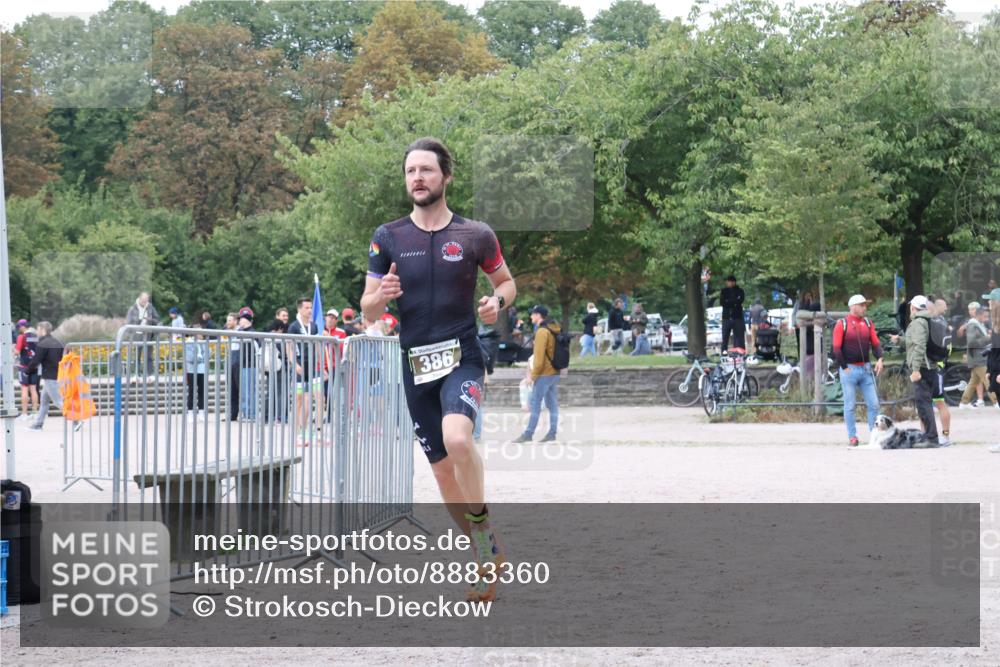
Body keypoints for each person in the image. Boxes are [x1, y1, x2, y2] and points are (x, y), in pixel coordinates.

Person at [360, 137, 516, 602]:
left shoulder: (475, 235)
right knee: (444, 474)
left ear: (445, 176)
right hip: (415, 365)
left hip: (461, 356)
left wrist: (497, 302)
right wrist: (381, 296)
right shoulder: (388, 237)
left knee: (458, 439)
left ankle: (482, 525)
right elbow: (367, 309)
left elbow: (506, 282)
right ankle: (484, 553)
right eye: (411, 171)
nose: (418, 178)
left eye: (426, 170)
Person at [832, 295, 884, 447]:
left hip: (866, 369)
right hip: (849, 369)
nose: (865, 308)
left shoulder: (868, 323)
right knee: (850, 405)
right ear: (853, 307)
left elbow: (875, 343)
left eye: (865, 305)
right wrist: (844, 367)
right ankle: (852, 437)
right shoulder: (842, 324)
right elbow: (836, 348)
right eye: (862, 305)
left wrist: (880, 358)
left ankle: (874, 435)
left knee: (874, 404)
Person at [512, 305, 561, 444]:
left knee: (535, 403)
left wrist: (532, 376)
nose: (531, 316)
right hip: (554, 371)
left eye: (532, 314)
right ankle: (552, 433)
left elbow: (538, 359)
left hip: (544, 373)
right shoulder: (553, 329)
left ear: (538, 315)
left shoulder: (541, 332)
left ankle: (528, 434)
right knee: (552, 404)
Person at [26, 322, 79, 432]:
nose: (37, 332)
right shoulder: (58, 342)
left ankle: (76, 420)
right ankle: (38, 424)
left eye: (38, 329)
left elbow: (36, 360)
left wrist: (27, 371)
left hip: (51, 376)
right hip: (60, 375)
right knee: (44, 401)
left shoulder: (43, 343)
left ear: (43, 330)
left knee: (59, 401)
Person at [904, 296, 940, 445]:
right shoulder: (928, 320)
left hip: (922, 368)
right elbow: (915, 343)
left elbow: (919, 346)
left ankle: (931, 438)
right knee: (926, 403)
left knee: (923, 405)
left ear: (913, 307)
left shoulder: (918, 322)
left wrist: (916, 369)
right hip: (930, 366)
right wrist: (899, 340)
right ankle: (929, 435)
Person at [287, 297, 322, 443]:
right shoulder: (294, 326)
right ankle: (296, 433)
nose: (309, 310)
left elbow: (317, 344)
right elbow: (289, 346)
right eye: (306, 308)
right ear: (299, 309)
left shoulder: (314, 326)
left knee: (319, 397)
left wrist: (320, 362)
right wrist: (294, 364)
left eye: (310, 307)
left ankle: (317, 431)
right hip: (300, 367)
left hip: (313, 366)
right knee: (299, 400)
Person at [958, 305, 993, 409]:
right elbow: (972, 343)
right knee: (987, 380)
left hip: (978, 357)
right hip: (978, 357)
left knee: (974, 381)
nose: (987, 319)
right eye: (985, 316)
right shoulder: (973, 325)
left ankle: (964, 403)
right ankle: (996, 401)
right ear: (979, 315)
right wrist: (987, 338)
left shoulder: (979, 325)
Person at [931, 298, 953, 445]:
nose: (946, 309)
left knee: (939, 402)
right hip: (937, 365)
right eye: (944, 306)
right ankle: (930, 435)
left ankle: (945, 436)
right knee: (928, 403)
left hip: (936, 366)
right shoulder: (942, 322)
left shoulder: (937, 323)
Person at [126, 291, 160, 375]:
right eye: (143, 301)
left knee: (149, 356)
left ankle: (150, 375)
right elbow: (128, 323)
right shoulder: (132, 309)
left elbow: (157, 320)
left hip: (148, 335)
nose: (145, 303)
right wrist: (139, 320)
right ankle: (136, 374)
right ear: (139, 299)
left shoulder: (150, 307)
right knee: (136, 356)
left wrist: (150, 320)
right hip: (137, 335)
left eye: (146, 301)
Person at [14, 320, 40, 420]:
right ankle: (34, 413)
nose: (18, 329)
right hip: (35, 366)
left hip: (24, 366)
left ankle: (24, 414)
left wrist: (13, 350)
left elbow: (17, 352)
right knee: (33, 389)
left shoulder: (21, 337)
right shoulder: (36, 336)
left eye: (19, 327)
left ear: (23, 327)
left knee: (24, 389)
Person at [984, 290, 1000, 453]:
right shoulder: (995, 325)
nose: (988, 303)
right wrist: (989, 369)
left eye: (990, 300)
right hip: (995, 372)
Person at [236, 308, 258, 421]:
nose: (239, 321)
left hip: (250, 365)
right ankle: (246, 413)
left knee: (249, 391)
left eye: (241, 319)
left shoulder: (252, 332)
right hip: (244, 365)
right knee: (245, 391)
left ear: (246, 320)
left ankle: (251, 414)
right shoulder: (242, 332)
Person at [183, 323, 208, 421]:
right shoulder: (189, 342)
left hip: (202, 370)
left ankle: (201, 412)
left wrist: (201, 358)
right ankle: (190, 412)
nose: (201, 334)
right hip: (192, 370)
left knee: (202, 391)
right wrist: (200, 359)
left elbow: (208, 354)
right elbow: (190, 357)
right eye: (199, 332)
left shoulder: (203, 342)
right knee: (192, 391)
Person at [720, 275, 746, 351]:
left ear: (734, 282)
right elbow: (722, 302)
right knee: (725, 337)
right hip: (726, 317)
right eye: (728, 282)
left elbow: (740, 301)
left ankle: (740, 352)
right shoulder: (724, 291)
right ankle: (724, 352)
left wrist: (728, 301)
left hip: (737, 317)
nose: (729, 283)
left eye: (730, 282)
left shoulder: (740, 291)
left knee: (739, 337)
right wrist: (734, 302)